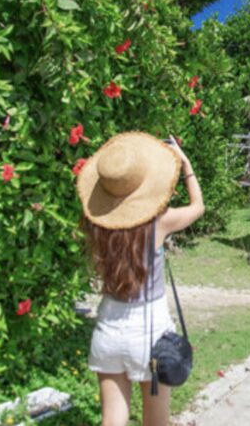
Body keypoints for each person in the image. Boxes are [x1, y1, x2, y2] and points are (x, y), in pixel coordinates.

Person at [77, 132, 204, 426]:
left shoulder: (95, 226)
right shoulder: (159, 223)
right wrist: (185, 164)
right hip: (151, 333)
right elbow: (198, 207)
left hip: (107, 331)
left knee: (112, 420)